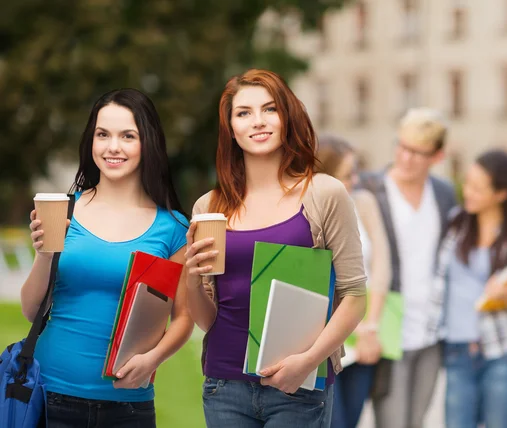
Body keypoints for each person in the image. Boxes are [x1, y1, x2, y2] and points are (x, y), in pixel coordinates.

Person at [185, 69, 367, 428]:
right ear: (230, 128)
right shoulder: (208, 208)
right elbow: (209, 321)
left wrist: (309, 360)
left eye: (269, 109)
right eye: (244, 113)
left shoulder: (324, 194)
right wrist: (191, 280)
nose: (258, 122)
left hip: (299, 387)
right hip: (224, 386)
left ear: (287, 117)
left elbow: (355, 295)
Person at [22, 88, 193, 427]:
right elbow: (31, 310)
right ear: (91, 142)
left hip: (128, 407)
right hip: (48, 395)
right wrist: (44, 255)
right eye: (103, 134)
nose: (113, 147)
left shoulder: (173, 228)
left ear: (148, 143)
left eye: (127, 136)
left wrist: (153, 359)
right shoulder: (63, 210)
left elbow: (184, 318)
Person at [423, 150, 507, 428]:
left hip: (504, 353)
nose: (468, 192)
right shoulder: (455, 225)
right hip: (458, 352)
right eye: (467, 183)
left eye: (478, 188)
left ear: (501, 194)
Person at [361, 107, 457, 428]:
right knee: (391, 420)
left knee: (416, 420)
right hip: (389, 326)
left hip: (431, 331)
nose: (406, 158)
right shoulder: (369, 189)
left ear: (437, 156)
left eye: (418, 153)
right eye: (402, 147)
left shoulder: (444, 195)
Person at [316, 134, 391, 428]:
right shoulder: (309, 212)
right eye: (347, 175)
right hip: (324, 342)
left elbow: (382, 265)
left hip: (363, 338)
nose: (355, 181)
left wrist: (371, 327)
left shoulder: (364, 202)